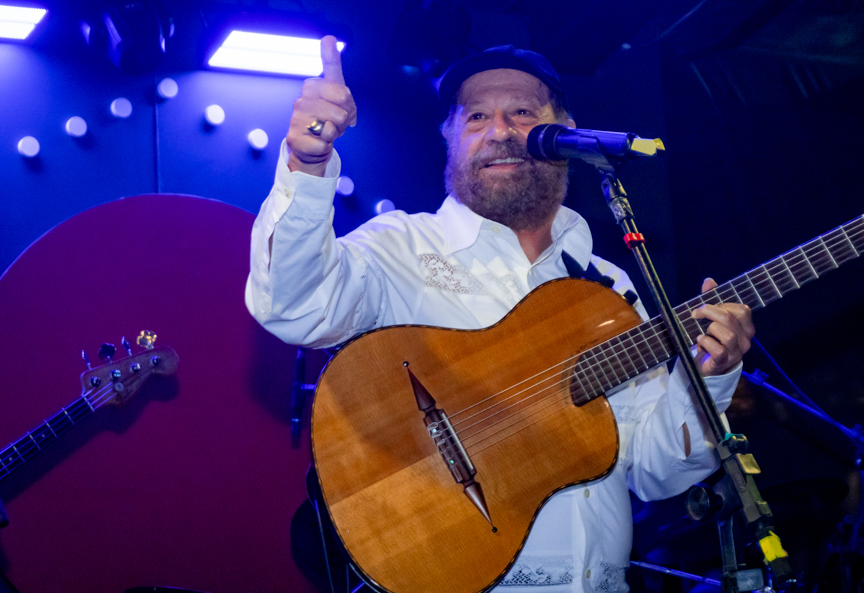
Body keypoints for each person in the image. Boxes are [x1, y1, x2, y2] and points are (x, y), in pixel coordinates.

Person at [246, 37, 754, 592]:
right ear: (450, 139)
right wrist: (308, 163)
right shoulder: (404, 248)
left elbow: (656, 472)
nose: (501, 130)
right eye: (477, 116)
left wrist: (709, 378)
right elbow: (295, 306)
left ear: (564, 131)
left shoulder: (610, 283)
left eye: (523, 113)